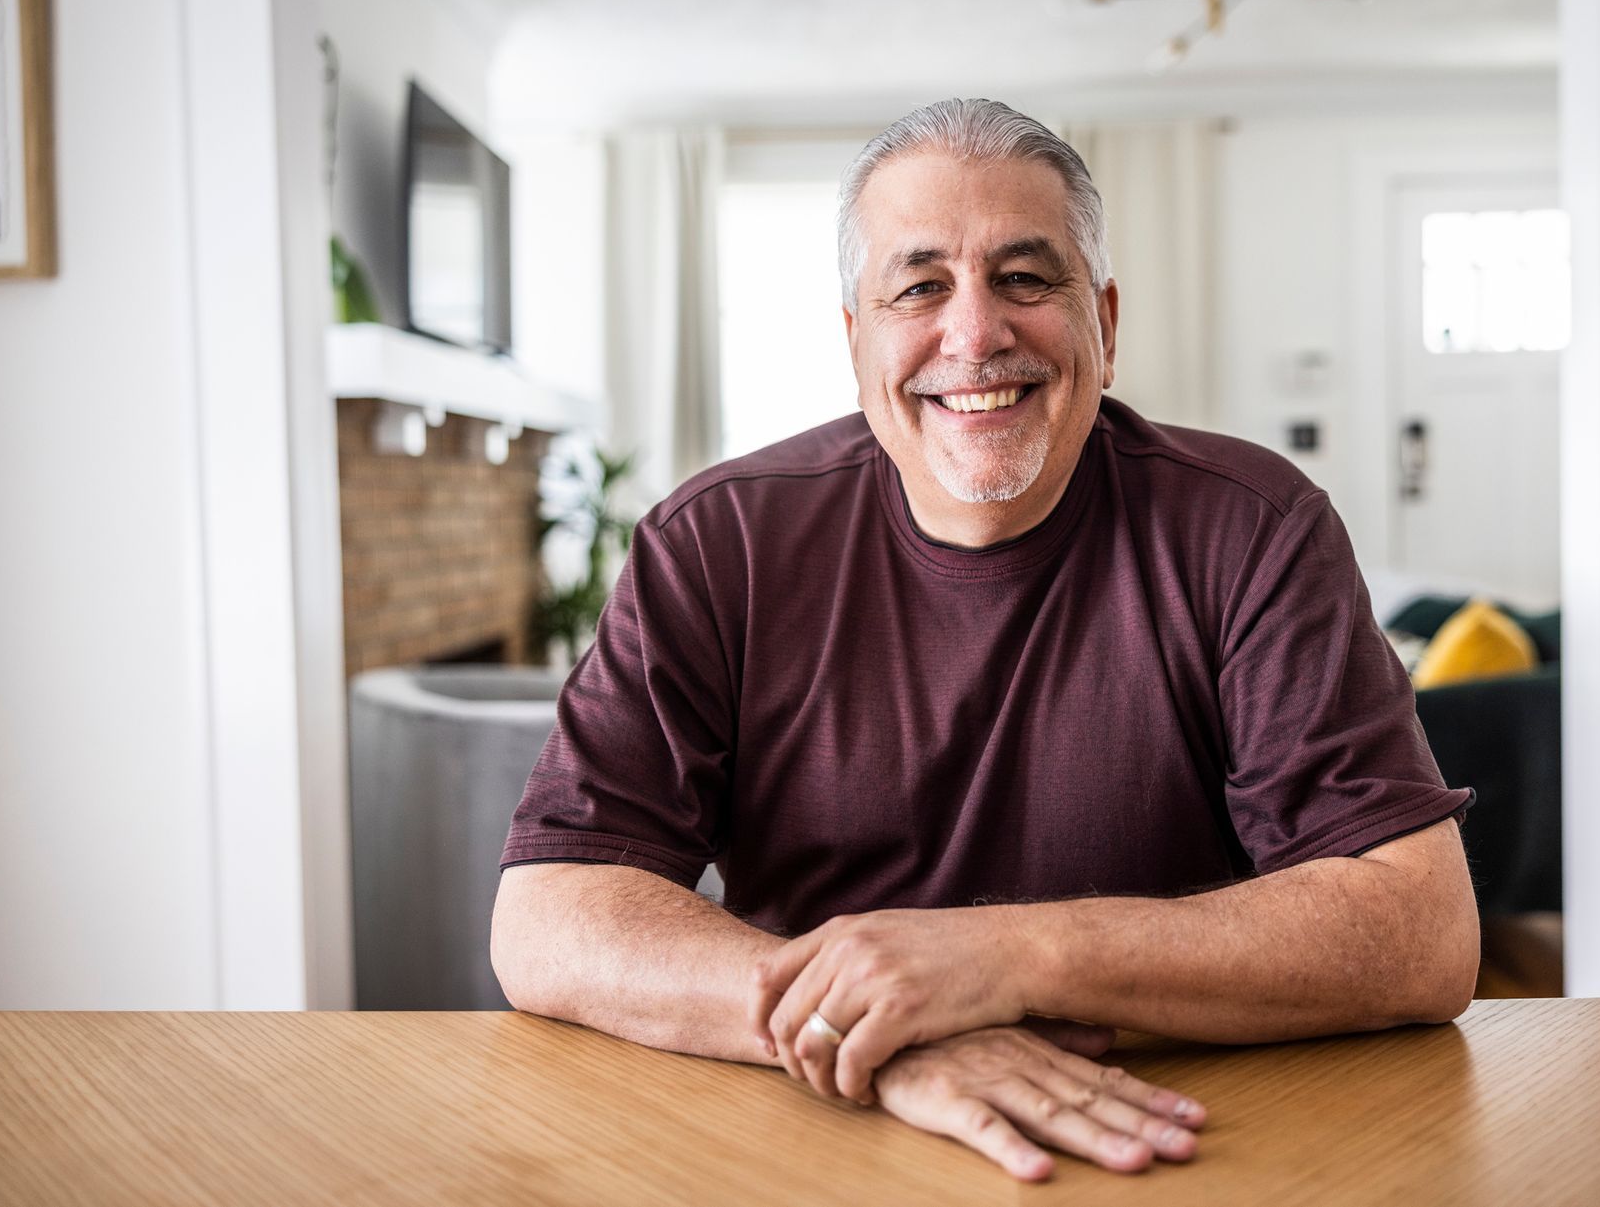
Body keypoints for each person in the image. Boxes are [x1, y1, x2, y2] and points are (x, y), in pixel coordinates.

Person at [491, 98, 1479, 1183]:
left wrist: (1001, 960)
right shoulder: (715, 541)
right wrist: (877, 1036)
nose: (974, 335)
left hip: (1179, 1127)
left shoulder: (1253, 527)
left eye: (1026, 278)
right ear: (855, 336)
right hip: (815, 1127)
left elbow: (1420, 930)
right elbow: (549, 912)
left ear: (1104, 322)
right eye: (919, 287)